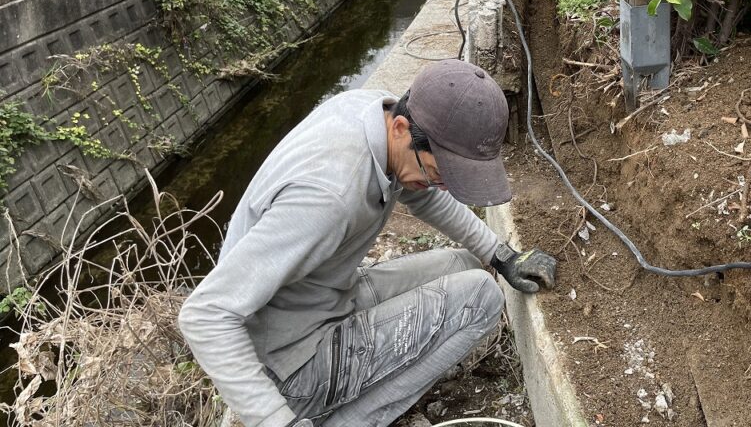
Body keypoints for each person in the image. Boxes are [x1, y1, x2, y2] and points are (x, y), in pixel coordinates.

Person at [178, 59, 557, 427]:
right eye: (440, 173)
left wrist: (502, 255)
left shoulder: (378, 112)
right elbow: (206, 315)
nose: (442, 186)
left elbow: (422, 192)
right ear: (402, 129)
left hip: (323, 301)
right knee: (481, 297)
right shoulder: (327, 197)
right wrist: (275, 419)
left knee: (467, 264)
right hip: (290, 364)